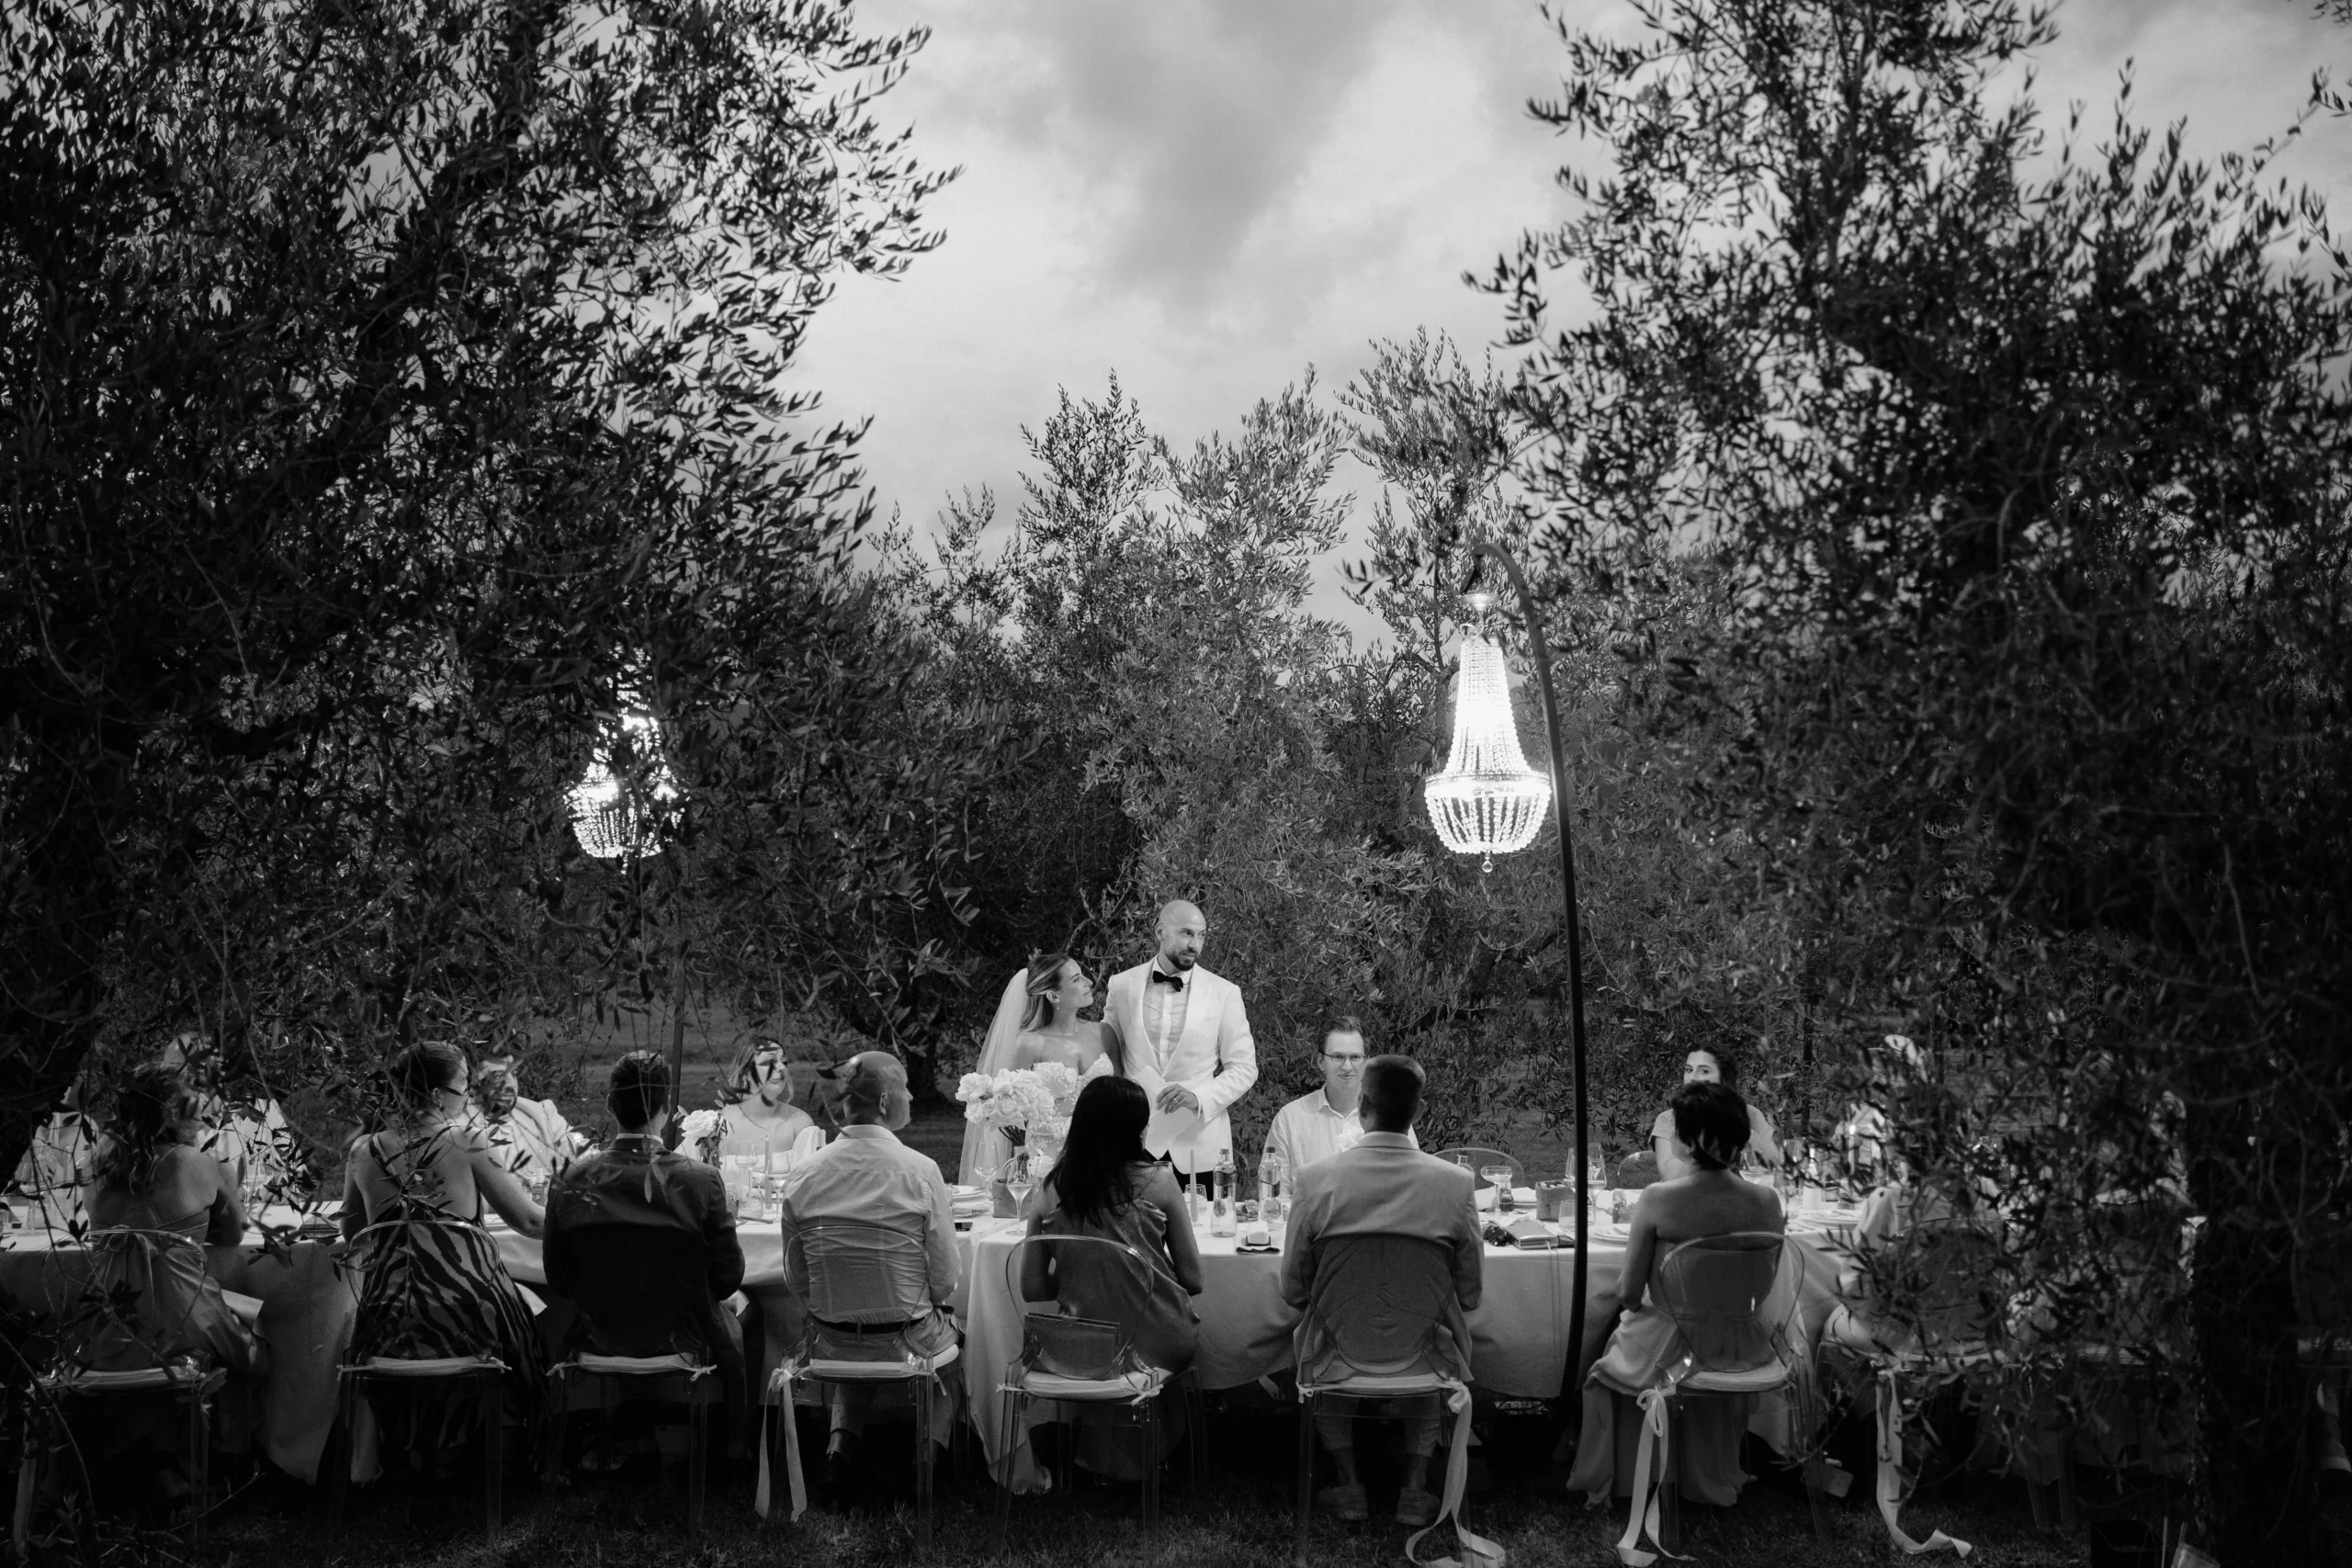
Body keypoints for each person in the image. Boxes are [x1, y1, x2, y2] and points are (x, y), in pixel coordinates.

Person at [1280, 1054, 1481, 1529]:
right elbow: (1470, 1294)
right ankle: (1414, 1489)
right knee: (1427, 1333)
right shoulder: (1455, 1185)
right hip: (1425, 1357)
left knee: (1333, 1332)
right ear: (1418, 1110)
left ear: (1364, 1106)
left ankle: (1349, 1483)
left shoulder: (1315, 1181)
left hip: (1336, 1353)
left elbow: (1292, 1289)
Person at [1567, 1080, 1787, 1508]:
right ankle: (1701, 1466)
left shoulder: (1659, 1198)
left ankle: (1632, 1475)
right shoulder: (1767, 1201)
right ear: (1743, 1136)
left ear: (1685, 1141)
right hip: (1741, 1343)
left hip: (1674, 1349)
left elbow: (1629, 1293)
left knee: (1602, 1351)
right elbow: (1764, 1284)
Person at [340, 1041, 548, 1465]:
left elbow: (352, 1230)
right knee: (530, 1316)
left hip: (386, 1314)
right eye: (463, 1086)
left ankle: (419, 1454)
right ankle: (522, 1454)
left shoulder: (363, 1151)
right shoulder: (466, 1139)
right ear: (437, 1095)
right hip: (466, 1315)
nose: (469, 1097)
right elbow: (529, 1222)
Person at [775, 1051, 960, 1495]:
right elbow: (947, 1275)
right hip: (907, 1340)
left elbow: (796, 1275)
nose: (914, 1095)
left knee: (854, 1330)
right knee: (957, 1339)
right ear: (882, 1103)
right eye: (905, 1087)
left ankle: (839, 1452)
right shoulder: (920, 1171)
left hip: (832, 1338)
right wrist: (921, 1304)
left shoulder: (803, 1174)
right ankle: (926, 1460)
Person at [545, 1052, 748, 1425]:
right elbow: (727, 1279)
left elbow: (558, 1278)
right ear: (667, 1108)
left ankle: (633, 1427)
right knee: (749, 1309)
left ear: (609, 1104)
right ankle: (732, 1441)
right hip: (682, 1336)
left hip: (600, 1331)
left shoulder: (571, 1178)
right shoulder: (698, 1180)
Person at [1020, 1075, 1204, 1478]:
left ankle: (1103, 1456)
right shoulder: (1159, 1181)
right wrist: (1141, 1273)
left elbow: (1032, 1287)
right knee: (1146, 1335)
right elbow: (1194, 1279)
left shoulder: (1051, 1190)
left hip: (1084, 1348)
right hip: (1161, 1338)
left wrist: (1081, 1280)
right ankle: (1147, 1455)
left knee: (1111, 1329)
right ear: (1138, 1130)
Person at [80, 1062, 263, 1374]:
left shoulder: (94, 1166)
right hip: (186, 1326)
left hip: (108, 1329)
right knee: (265, 1328)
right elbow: (234, 1235)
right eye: (192, 1095)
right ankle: (228, 1420)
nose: (201, 1102)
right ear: (168, 1110)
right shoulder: (202, 1164)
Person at [1098, 901, 1259, 1174]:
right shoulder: (1121, 986)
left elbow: (1244, 1068)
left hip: (1200, 1145)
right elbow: (1108, 1057)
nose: (1195, 944)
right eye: (1186, 933)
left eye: (1202, 935)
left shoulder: (1225, 993)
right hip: (1133, 1140)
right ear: (1161, 932)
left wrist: (1198, 1097)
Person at [960, 953, 1112, 1185]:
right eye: (1076, 979)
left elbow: (1123, 1096)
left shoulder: (1104, 1033)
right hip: (1048, 1164)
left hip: (1105, 1157)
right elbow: (1007, 1108)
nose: (1089, 982)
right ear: (1053, 995)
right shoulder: (1029, 1044)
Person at [1261, 1017, 1424, 1176]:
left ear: (1366, 1062)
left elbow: (1410, 1184)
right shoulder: (1290, 1120)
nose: (1347, 1067)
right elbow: (1274, 1194)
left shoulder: (1392, 1117)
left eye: (1355, 1057)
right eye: (1338, 1057)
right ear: (1320, 1061)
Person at [160, 1032, 298, 1199]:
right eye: (175, 1071)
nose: (185, 1079)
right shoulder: (158, 1123)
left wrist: (276, 1190)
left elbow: (297, 1179)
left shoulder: (263, 1113)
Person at [1652, 1045, 1781, 1179]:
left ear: (1724, 1077)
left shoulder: (1751, 1115)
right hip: (1686, 1198)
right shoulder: (1669, 1118)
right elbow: (1670, 1174)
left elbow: (1777, 1168)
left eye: (1704, 1071)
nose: (1693, 1077)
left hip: (1739, 1198)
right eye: (1689, 1070)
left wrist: (1746, 1134)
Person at [470, 1046, 582, 1183]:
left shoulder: (540, 1114)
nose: (510, 1083)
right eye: (499, 1076)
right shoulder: (463, 1133)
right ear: (473, 1084)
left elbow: (582, 1155)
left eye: (514, 1074)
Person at [713, 1037, 820, 1165]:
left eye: (783, 1061)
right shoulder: (716, 1125)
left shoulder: (800, 1125)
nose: (781, 1067)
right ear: (745, 1073)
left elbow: (809, 1181)